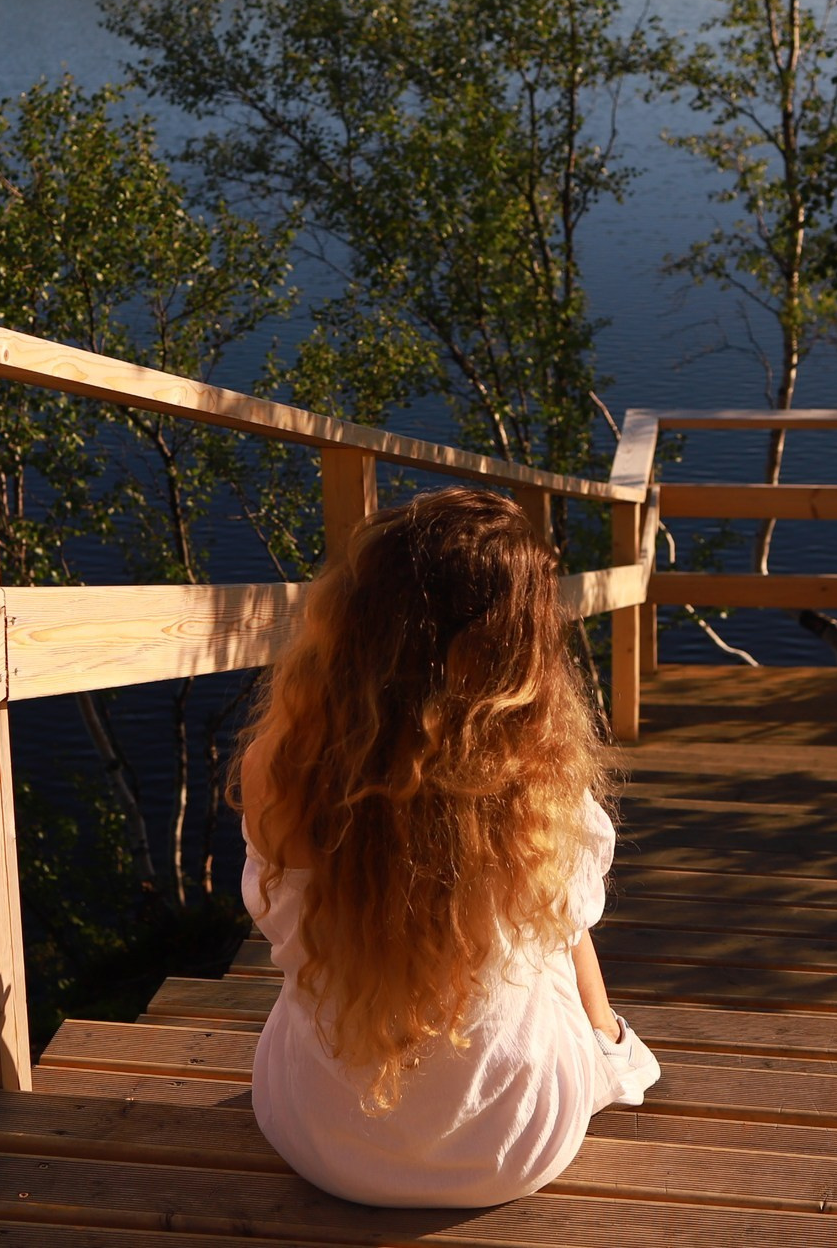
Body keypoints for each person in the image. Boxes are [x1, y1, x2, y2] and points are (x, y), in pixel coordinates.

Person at [230, 485, 661, 1209]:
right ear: (519, 652)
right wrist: (609, 1042)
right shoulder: (541, 787)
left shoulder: (280, 771)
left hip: (317, 1138)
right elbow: (570, 925)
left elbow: (280, 925)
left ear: (355, 619)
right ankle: (607, 1040)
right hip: (514, 1144)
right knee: (550, 929)